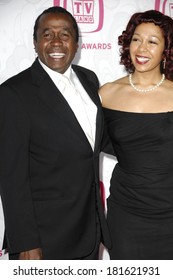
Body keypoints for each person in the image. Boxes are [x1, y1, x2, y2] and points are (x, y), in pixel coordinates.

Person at [0, 6, 111, 260]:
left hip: (90, 232)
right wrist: (26, 242)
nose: (56, 42)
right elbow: (11, 177)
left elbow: (94, 142)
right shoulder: (14, 93)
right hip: (44, 239)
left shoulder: (89, 80)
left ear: (77, 42)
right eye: (47, 34)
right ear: (35, 43)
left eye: (65, 34)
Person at [99, 10, 173, 259]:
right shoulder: (106, 94)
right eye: (136, 39)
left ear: (166, 49)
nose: (142, 48)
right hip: (126, 214)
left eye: (153, 41)